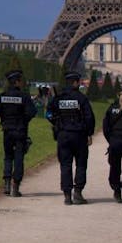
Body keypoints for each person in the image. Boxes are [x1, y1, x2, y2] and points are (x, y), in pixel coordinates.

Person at [46, 71, 95, 205]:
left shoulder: (58, 98)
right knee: (81, 164)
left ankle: (67, 195)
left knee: (65, 165)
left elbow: (48, 113)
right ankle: (78, 192)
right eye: (78, 82)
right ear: (75, 83)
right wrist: (89, 133)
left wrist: (56, 123)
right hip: (79, 135)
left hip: (63, 135)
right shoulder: (81, 99)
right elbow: (89, 118)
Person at [0, 69, 37, 197]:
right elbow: (32, 112)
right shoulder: (24, 96)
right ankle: (15, 187)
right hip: (20, 131)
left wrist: (5, 117)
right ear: (17, 82)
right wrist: (23, 121)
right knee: (19, 158)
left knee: (8, 156)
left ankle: (6, 184)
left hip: (7, 130)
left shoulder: (2, 96)